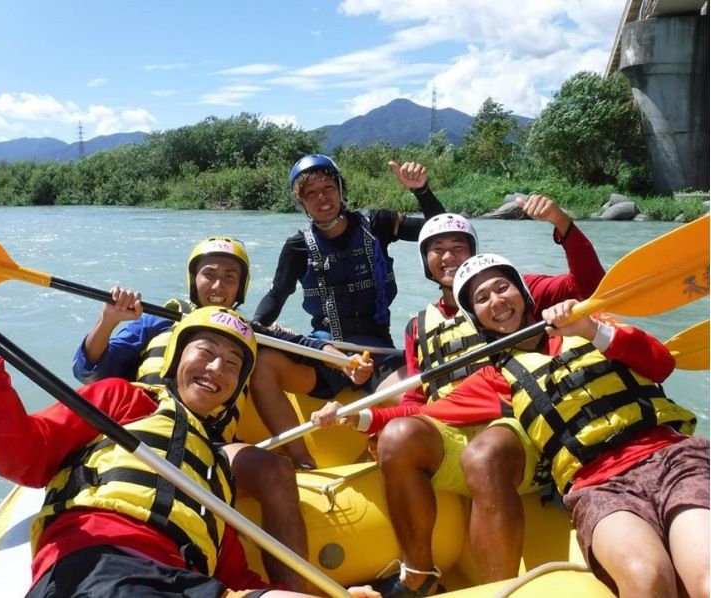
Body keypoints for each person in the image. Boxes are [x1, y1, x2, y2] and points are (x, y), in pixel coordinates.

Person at [0, 291, 380, 598]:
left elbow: (235, 576)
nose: (217, 368)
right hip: (98, 566)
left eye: (232, 364)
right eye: (204, 352)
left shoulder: (216, 469)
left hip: (180, 580)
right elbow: (21, 457)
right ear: (177, 359)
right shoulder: (124, 399)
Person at [311, 199, 606, 595]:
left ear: (474, 250)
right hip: (448, 426)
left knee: (485, 451)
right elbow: (419, 402)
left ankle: (497, 589)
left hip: (516, 424)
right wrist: (365, 419)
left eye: (458, 247)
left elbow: (589, 284)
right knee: (398, 435)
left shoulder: (512, 290)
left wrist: (561, 222)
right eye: (437, 249)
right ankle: (418, 572)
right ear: (426, 261)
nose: (448, 257)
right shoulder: (419, 326)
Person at [71, 236, 371, 591]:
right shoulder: (156, 321)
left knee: (274, 469)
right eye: (208, 274)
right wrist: (108, 320)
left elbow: (304, 343)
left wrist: (342, 359)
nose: (218, 285)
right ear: (193, 279)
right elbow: (88, 370)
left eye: (230, 277)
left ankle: (293, 592)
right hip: (143, 439)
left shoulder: (250, 332)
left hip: (209, 449)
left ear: (241, 287)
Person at [448, 253, 708, 598]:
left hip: (670, 459)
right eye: (481, 299)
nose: (496, 301)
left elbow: (660, 364)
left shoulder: (591, 322)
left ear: (523, 293)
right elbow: (421, 410)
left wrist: (590, 329)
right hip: (599, 487)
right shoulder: (495, 377)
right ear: (477, 318)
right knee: (647, 579)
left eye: (502, 287)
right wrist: (362, 417)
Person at [250, 157, 444, 463]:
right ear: (302, 203)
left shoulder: (378, 224)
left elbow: (441, 231)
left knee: (424, 402)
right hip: (326, 353)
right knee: (262, 365)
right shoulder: (297, 246)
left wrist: (422, 191)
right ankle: (302, 462)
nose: (322, 198)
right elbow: (277, 295)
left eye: (328, 188)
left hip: (376, 351)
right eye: (310, 193)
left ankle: (373, 453)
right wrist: (254, 325)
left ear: (341, 189)